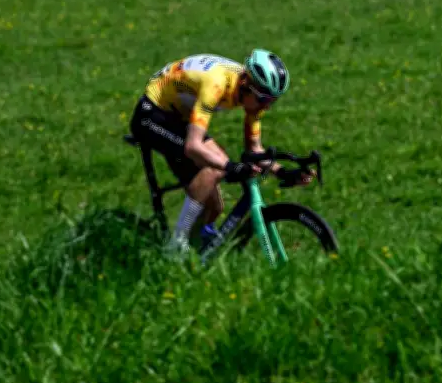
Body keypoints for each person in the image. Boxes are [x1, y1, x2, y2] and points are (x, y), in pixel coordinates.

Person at [128, 49, 315, 259]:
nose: (267, 107)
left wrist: (282, 172)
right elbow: (193, 146)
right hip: (152, 115)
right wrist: (230, 167)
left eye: (272, 101)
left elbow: (254, 150)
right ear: (246, 84)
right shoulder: (216, 84)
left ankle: (191, 258)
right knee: (213, 169)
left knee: (214, 207)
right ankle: (175, 247)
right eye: (264, 100)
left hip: (179, 116)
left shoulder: (252, 94)